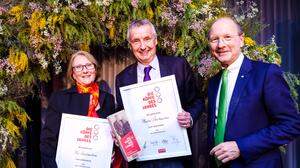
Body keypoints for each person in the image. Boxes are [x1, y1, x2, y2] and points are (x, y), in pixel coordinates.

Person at [207, 17, 300, 168]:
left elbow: (291, 125)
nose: (220, 44)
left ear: (241, 39)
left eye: (227, 37)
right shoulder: (214, 83)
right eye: (214, 39)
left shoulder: (266, 73)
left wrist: (241, 147)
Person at [115, 19, 204, 168]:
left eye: (147, 39)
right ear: (130, 45)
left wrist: (190, 117)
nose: (143, 46)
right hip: (140, 159)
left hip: (175, 156)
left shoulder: (178, 66)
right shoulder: (123, 78)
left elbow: (197, 101)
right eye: (136, 41)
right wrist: (121, 134)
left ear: (156, 40)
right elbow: (121, 115)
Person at [40, 51, 116, 167]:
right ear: (73, 74)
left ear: (95, 69)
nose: (85, 70)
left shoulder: (108, 99)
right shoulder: (60, 98)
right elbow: (48, 142)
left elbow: (111, 137)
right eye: (79, 67)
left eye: (89, 65)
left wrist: (109, 153)